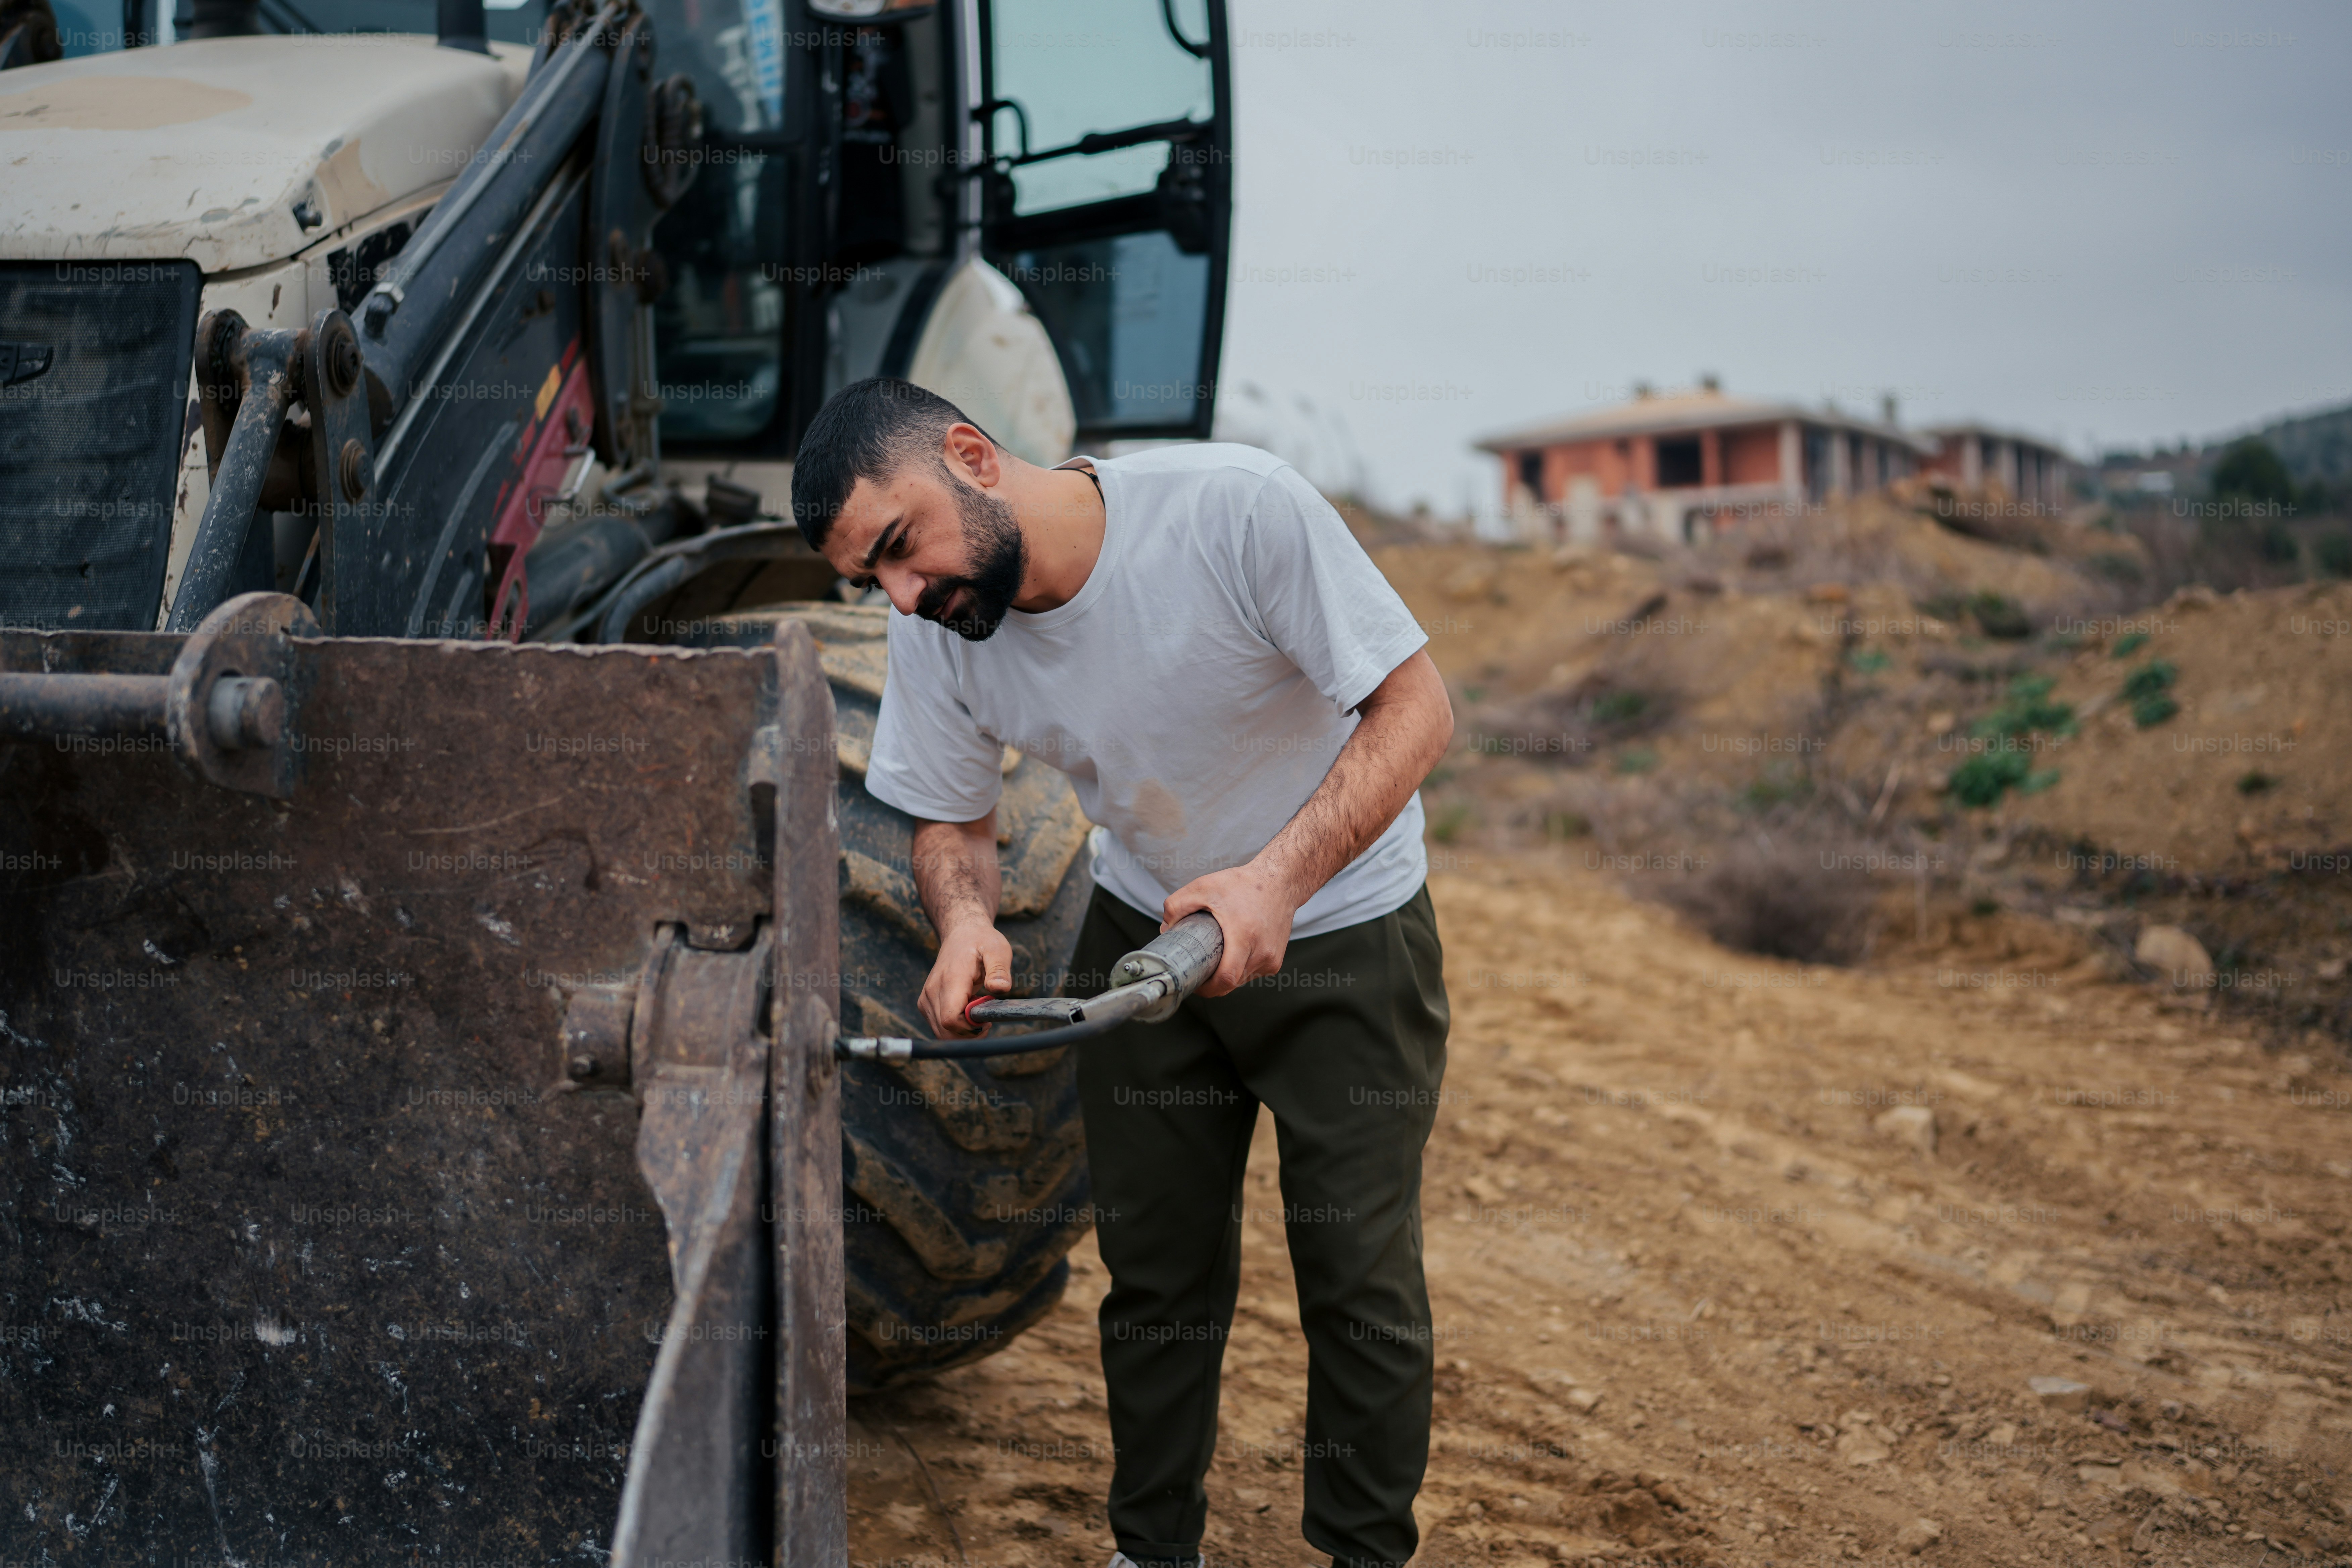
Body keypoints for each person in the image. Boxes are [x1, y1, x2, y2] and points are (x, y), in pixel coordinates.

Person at [792, 378, 1453, 1568]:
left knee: (1356, 1283)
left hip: (1342, 936)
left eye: (899, 548)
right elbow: (951, 819)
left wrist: (1274, 884)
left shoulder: (1233, 511)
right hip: (1147, 935)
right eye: (871, 582)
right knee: (1157, 1279)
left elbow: (1416, 710)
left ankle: (1364, 1555)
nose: (902, 595)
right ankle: (1153, 1551)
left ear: (971, 458)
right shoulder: (938, 625)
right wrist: (962, 924)